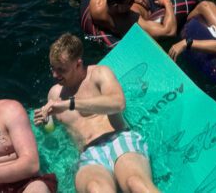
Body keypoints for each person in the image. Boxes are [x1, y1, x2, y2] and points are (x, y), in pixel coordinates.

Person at [33, 34, 157, 193]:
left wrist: (70, 103)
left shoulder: (99, 74)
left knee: (136, 183)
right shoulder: (54, 94)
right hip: (89, 155)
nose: (55, 75)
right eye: (53, 68)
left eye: (61, 70)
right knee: (96, 190)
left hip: (118, 138)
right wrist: (44, 123)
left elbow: (119, 103)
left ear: (78, 64)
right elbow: (50, 130)